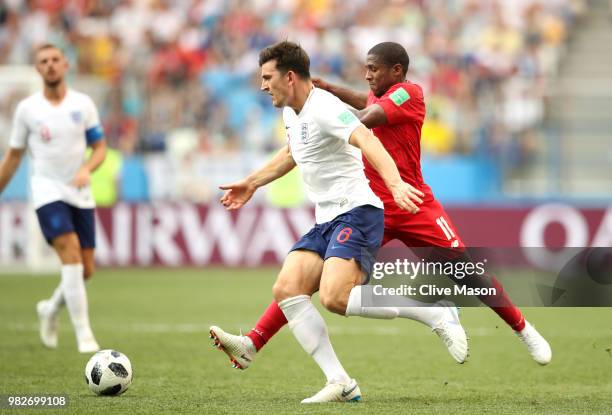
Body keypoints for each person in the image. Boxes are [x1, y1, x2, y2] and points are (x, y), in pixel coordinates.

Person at [210, 42, 551, 372]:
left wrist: (325, 115)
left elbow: (368, 114)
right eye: (366, 69)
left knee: (465, 272)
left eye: (374, 69)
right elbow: (365, 100)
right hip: (370, 204)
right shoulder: (371, 96)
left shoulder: (409, 94)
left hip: (411, 200)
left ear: (397, 70)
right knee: (310, 280)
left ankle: (523, 329)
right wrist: (328, 92)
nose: (368, 74)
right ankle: (255, 341)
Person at [212, 41, 468, 403]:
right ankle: (340, 382)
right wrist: (251, 182)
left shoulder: (325, 108)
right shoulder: (291, 113)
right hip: (327, 217)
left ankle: (433, 314)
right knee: (287, 289)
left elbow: (366, 139)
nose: (263, 86)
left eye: (268, 78)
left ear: (289, 76)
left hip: (359, 211)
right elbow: (292, 153)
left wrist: (395, 184)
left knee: (335, 297)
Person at [0, 44, 106, 353]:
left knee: (85, 270)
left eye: (55, 60)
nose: (50, 65)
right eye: (43, 61)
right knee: (70, 251)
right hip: (47, 191)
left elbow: (99, 147)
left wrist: (87, 168)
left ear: (66, 65)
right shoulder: (28, 110)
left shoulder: (83, 105)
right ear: (37, 69)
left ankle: (49, 308)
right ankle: (85, 336)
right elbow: (13, 158)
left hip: (79, 191)